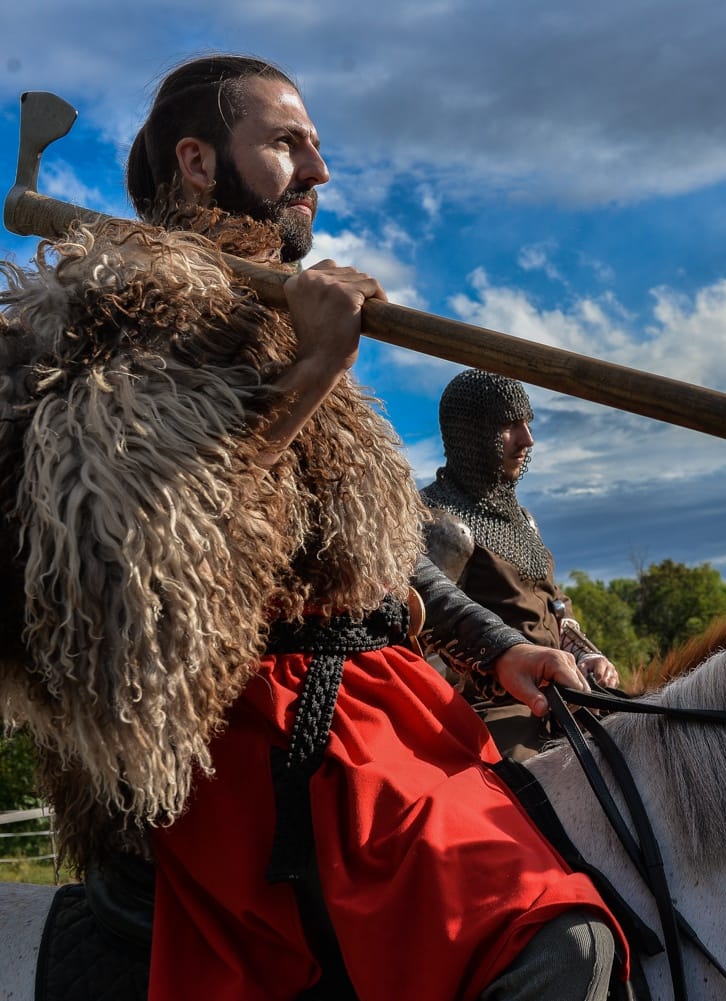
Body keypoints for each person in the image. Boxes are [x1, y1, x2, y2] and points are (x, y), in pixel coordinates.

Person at [0, 55, 624, 1001]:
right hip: (259, 733)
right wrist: (317, 366)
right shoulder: (125, 316)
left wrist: (500, 647)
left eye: (317, 146)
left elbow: (377, 553)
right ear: (198, 161)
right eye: (288, 143)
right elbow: (141, 549)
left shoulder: (273, 308)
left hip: (386, 703)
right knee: (558, 944)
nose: (319, 172)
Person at [422, 369, 619, 759]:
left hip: (564, 691)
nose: (527, 439)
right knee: (520, 789)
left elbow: (554, 605)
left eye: (527, 423)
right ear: (471, 432)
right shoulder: (436, 521)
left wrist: (586, 655)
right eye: (509, 425)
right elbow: (427, 637)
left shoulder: (522, 520)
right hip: (491, 708)